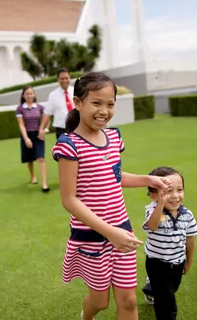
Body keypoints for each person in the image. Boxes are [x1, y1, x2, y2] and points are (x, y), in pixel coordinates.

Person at [51, 72, 172, 320]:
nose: (104, 110)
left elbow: (114, 176)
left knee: (128, 302)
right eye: (96, 103)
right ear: (78, 103)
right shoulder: (69, 145)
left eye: (110, 104)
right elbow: (69, 199)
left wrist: (148, 180)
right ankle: (85, 317)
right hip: (92, 238)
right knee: (101, 301)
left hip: (122, 232)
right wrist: (110, 232)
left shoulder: (114, 137)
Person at [141, 166, 197, 320]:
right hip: (156, 262)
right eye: (167, 192)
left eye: (179, 190)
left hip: (177, 262)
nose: (175, 196)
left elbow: (190, 238)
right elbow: (152, 226)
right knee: (166, 300)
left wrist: (189, 260)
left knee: (172, 288)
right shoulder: (153, 210)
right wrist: (161, 204)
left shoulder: (187, 214)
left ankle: (151, 287)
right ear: (154, 196)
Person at [15, 86, 50, 192]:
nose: (29, 96)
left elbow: (47, 120)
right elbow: (21, 125)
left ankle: (44, 184)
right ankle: (32, 175)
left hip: (39, 135)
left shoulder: (40, 107)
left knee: (41, 158)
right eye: (27, 94)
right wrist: (26, 139)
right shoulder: (20, 108)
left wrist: (45, 130)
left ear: (34, 95)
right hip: (27, 134)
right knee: (29, 159)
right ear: (23, 95)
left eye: (31, 93)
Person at [38, 68, 74, 141]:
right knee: (64, 152)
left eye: (66, 78)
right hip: (62, 131)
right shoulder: (53, 95)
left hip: (78, 129)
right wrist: (41, 129)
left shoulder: (77, 91)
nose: (64, 81)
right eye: (62, 79)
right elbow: (47, 113)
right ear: (58, 80)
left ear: (70, 78)